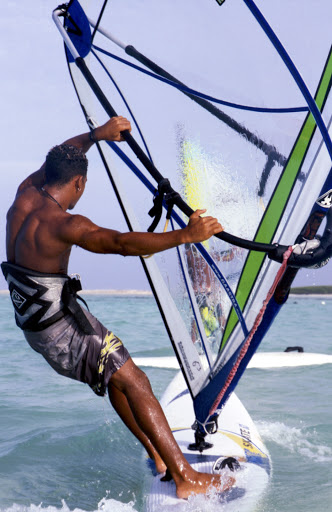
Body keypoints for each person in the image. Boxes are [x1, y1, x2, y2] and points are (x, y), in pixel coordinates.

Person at [2, 116, 234, 499]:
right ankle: (184, 478)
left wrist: (97, 135)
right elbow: (121, 243)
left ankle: (159, 457)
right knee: (135, 380)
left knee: (117, 376)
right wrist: (186, 235)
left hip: (40, 322)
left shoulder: (25, 194)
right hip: (60, 329)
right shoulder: (63, 223)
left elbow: (65, 155)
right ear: (79, 183)